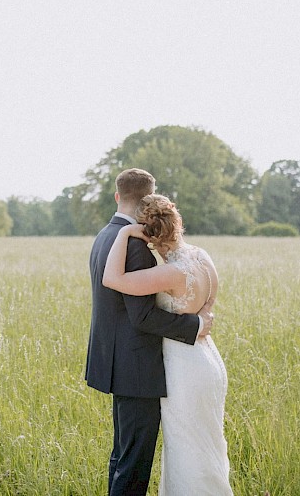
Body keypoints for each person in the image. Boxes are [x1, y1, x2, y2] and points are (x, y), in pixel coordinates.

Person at [85, 168, 215, 496]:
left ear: (118, 196)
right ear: (148, 200)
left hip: (116, 362)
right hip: (137, 369)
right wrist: (195, 325)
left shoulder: (104, 236)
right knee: (134, 464)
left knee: (122, 457)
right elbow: (142, 316)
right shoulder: (135, 247)